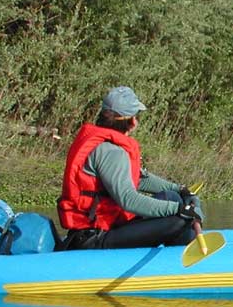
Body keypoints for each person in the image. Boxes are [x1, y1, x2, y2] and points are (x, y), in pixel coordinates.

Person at [57, 86, 204, 250]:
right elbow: (128, 200)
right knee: (181, 219)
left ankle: (177, 254)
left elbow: (139, 180)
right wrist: (180, 209)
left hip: (103, 226)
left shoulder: (101, 143)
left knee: (172, 195)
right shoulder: (111, 152)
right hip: (94, 238)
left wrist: (179, 189)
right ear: (132, 122)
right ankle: (181, 264)